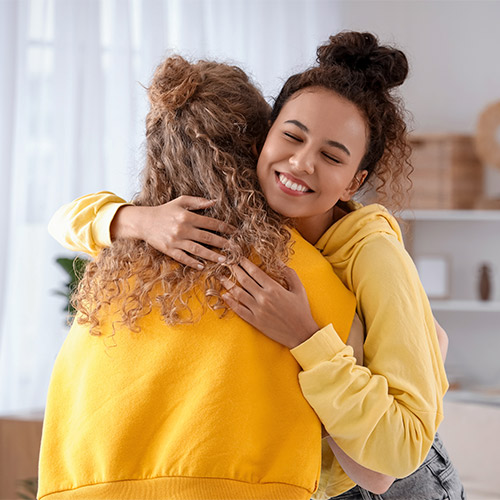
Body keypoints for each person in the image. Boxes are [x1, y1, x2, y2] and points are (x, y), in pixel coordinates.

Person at [47, 32, 465, 499]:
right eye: (292, 136)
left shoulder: (371, 255)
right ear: (260, 139)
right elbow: (63, 219)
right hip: (320, 478)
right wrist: (140, 219)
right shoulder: (244, 229)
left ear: (355, 181)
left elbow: (397, 455)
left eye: (331, 156)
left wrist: (305, 337)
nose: (302, 163)